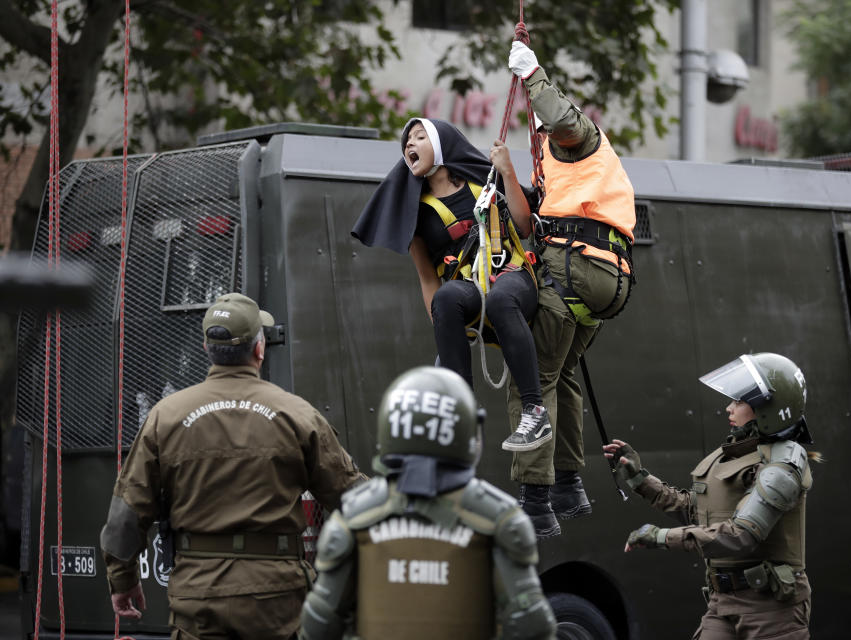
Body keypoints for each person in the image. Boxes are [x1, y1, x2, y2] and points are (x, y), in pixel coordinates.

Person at [100, 293, 365, 640]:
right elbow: (354, 500)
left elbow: (127, 512)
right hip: (278, 600)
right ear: (259, 349)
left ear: (207, 348)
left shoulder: (165, 417)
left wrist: (122, 580)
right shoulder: (297, 415)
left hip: (198, 599)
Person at [299, 366, 557, 640]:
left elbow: (319, 627)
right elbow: (532, 628)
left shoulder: (354, 517)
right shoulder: (499, 519)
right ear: (468, 432)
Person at [499, 41, 638, 537]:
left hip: (577, 267)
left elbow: (563, 120)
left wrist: (533, 73)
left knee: (531, 372)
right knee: (563, 373)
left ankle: (535, 503)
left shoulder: (578, 140)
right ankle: (568, 486)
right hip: (607, 278)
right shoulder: (571, 173)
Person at [352, 117, 553, 453]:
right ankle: (464, 415)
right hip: (468, 290)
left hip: (511, 276)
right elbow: (428, 279)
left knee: (502, 298)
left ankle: (534, 411)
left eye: (419, 137)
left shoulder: (485, 183)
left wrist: (507, 172)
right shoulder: (417, 215)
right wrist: (445, 327)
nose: (410, 145)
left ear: (442, 145)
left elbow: (523, 226)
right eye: (407, 143)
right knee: (444, 298)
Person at [603, 353, 819, 639]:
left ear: (767, 408)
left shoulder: (783, 465)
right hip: (722, 602)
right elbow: (697, 511)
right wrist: (640, 479)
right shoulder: (733, 454)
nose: (729, 408)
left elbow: (739, 535)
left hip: (771, 608)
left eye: (739, 401)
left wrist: (661, 537)